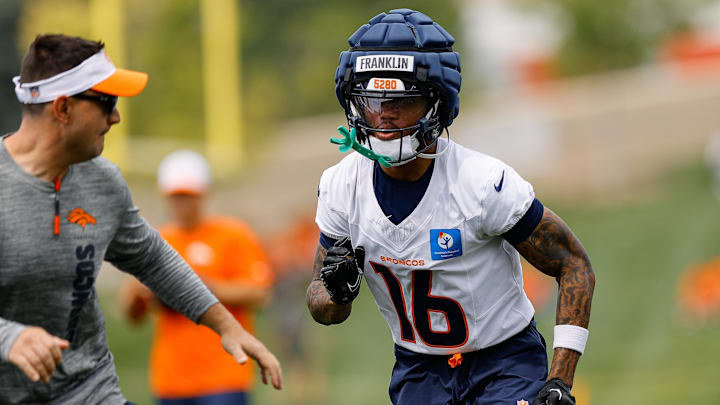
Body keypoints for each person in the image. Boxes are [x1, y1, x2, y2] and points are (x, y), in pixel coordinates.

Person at [306, 9, 595, 405]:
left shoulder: (481, 184)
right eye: (371, 99)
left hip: (503, 363)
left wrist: (560, 378)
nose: (384, 115)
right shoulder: (341, 185)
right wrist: (336, 291)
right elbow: (323, 307)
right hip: (418, 370)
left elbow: (573, 263)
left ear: (436, 104)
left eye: (400, 100)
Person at [0, 34, 281, 405]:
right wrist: (11, 337)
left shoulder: (103, 180)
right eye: (106, 102)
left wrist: (227, 327)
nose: (116, 116)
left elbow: (154, 260)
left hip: (89, 392)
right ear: (63, 108)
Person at [120, 150, 274, 405]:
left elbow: (260, 293)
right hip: (171, 381)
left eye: (187, 196)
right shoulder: (157, 241)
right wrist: (138, 293)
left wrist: (198, 288)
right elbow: (133, 316)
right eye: (176, 197)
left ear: (203, 194)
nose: (181, 204)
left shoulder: (233, 234)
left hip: (224, 376)